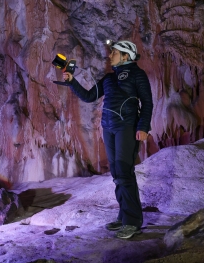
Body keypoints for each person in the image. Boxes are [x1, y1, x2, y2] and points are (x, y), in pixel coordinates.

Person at [63, 40, 153, 239]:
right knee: (116, 174)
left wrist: (143, 127)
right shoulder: (109, 78)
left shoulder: (138, 74)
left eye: (114, 52)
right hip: (109, 128)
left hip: (127, 127)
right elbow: (88, 96)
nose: (110, 54)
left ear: (126, 56)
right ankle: (124, 216)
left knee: (124, 172)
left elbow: (147, 102)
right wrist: (71, 81)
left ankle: (132, 222)